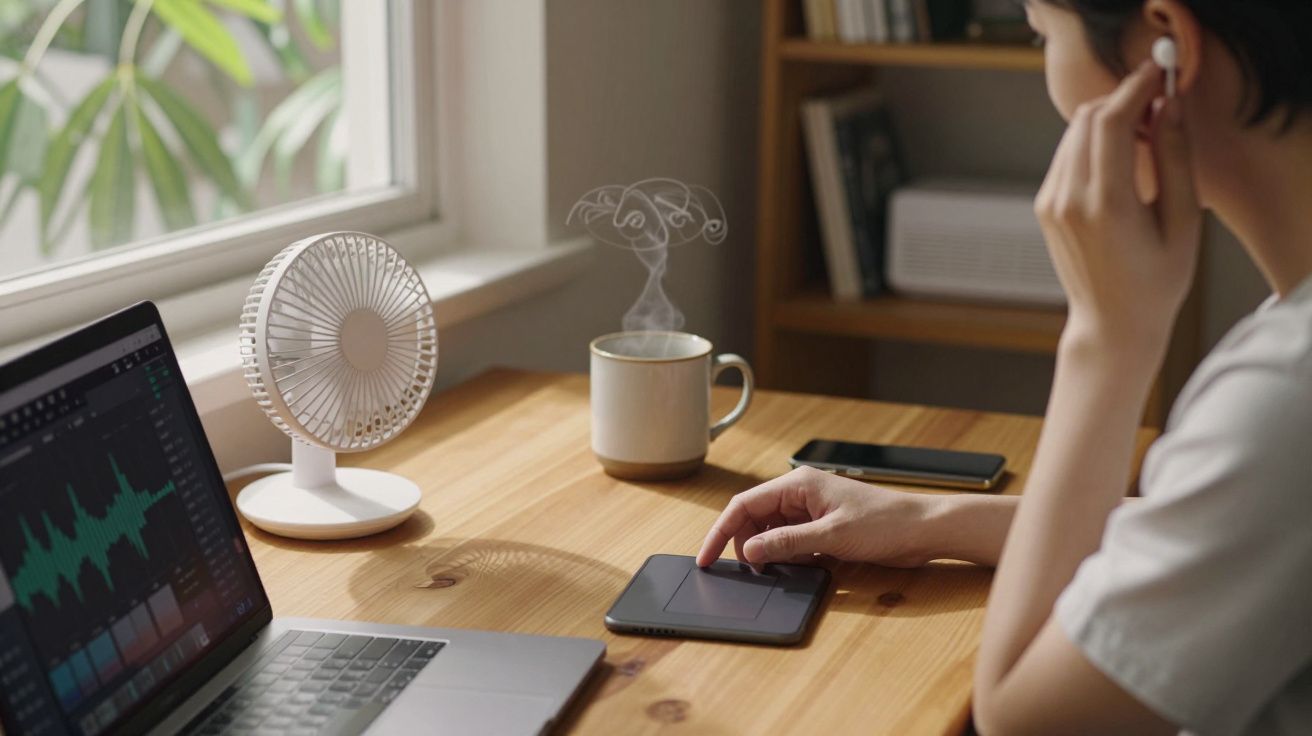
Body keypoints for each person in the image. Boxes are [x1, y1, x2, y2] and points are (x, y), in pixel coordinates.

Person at [697, 1, 1312, 733]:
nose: (1046, 69)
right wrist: (930, 517)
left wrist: (1104, 344)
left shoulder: (1285, 394)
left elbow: (1020, 717)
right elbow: (1222, 526)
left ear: (1166, 45)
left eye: (1043, 35)